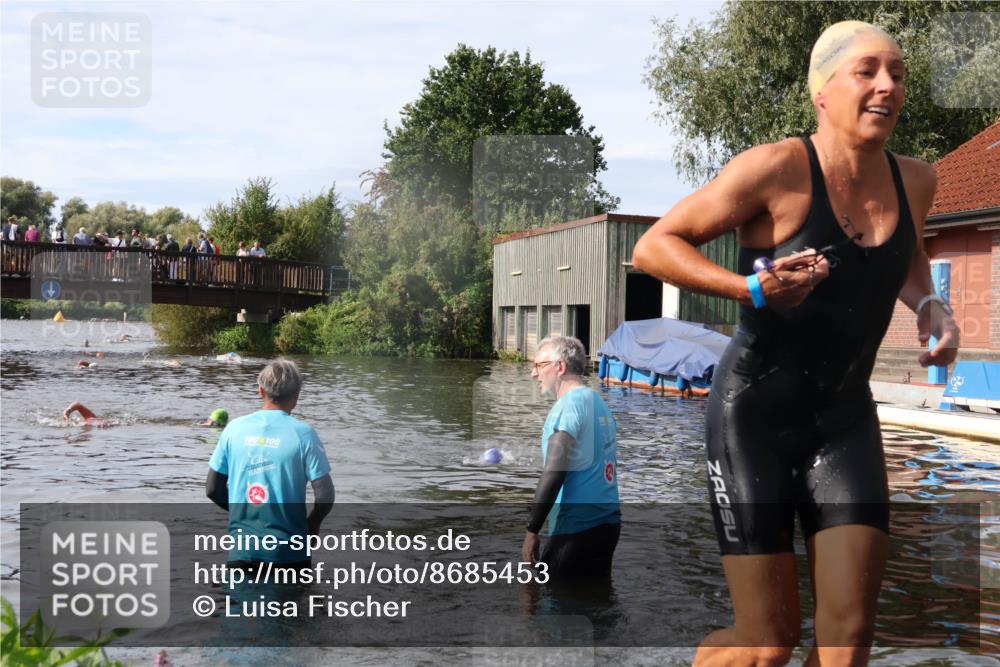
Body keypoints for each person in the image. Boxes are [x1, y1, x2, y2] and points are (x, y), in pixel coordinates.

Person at [632, 21, 961, 667]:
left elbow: (910, 254)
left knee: (848, 644)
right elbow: (654, 247)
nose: (888, 86)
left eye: (898, 74)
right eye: (868, 71)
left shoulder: (916, 181)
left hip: (843, 423)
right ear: (823, 88)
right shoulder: (777, 168)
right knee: (766, 643)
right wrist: (750, 289)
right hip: (752, 416)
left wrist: (931, 305)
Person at [206, 359, 334, 567]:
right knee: (296, 599)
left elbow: (213, 490)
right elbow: (325, 495)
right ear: (296, 396)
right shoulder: (304, 434)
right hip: (289, 555)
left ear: (260, 391)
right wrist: (313, 523)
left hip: (242, 553)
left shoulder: (233, 429)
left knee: (239, 599)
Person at [522, 336, 621, 580]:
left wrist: (532, 530)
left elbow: (555, 470)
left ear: (560, 366)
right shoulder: (598, 402)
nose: (534, 374)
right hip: (608, 525)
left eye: (539, 365)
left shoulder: (569, 406)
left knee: (554, 606)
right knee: (596, 602)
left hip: (576, 528)